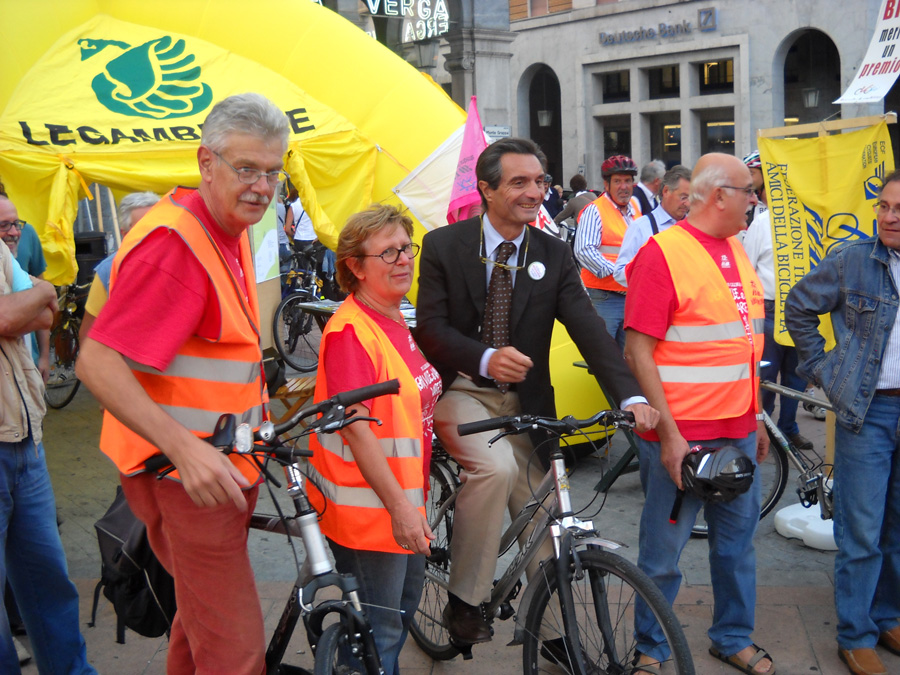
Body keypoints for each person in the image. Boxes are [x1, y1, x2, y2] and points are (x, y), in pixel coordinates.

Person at [415, 137, 658, 648]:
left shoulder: (553, 251)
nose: (534, 192)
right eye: (519, 182)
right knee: (495, 469)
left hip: (528, 406)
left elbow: (590, 330)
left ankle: (552, 636)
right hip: (463, 392)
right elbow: (431, 329)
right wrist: (483, 357)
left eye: (541, 181)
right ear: (486, 189)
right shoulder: (443, 245)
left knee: (547, 516)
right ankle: (464, 602)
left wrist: (631, 398)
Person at [76, 92, 290, 674]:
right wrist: (185, 449)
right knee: (234, 649)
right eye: (245, 168)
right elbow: (95, 363)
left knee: (200, 632)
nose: (260, 186)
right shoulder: (176, 243)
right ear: (206, 163)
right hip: (185, 475)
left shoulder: (225, 226)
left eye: (272, 171)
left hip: (216, 467)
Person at [623, 152, 774, 675]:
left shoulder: (736, 248)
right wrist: (668, 436)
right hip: (683, 441)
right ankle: (651, 647)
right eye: (747, 190)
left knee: (736, 550)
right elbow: (637, 350)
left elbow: (744, 345)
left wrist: (755, 419)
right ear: (718, 197)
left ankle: (732, 637)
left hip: (735, 436)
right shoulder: (662, 254)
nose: (754, 199)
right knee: (662, 557)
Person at [305, 204, 439, 675]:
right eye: (388, 253)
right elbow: (357, 431)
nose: (404, 259)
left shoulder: (393, 319)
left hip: (400, 500)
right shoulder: (349, 332)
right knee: (378, 633)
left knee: (394, 622)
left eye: (406, 247)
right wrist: (402, 509)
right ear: (355, 267)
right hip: (374, 511)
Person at [785, 171, 900, 675]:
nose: (889, 216)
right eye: (884, 206)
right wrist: (826, 371)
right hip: (867, 412)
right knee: (862, 528)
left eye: (899, 208)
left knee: (898, 525)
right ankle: (854, 634)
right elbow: (798, 308)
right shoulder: (853, 259)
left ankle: (887, 616)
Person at [0, 236, 97, 673]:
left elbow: (47, 310)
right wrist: (37, 293)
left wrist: (36, 296)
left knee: (49, 580)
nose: (12, 232)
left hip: (26, 438)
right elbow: (9, 315)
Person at [742, 206, 814, 450]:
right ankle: (762, 430)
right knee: (767, 378)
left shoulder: (812, 220)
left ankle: (787, 430)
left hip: (803, 312)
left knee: (797, 377)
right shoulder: (762, 222)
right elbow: (746, 267)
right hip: (769, 311)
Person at [573, 154, 642, 349]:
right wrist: (619, 273)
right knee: (605, 354)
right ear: (606, 184)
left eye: (628, 181)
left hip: (631, 296)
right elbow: (584, 250)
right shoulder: (594, 210)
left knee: (629, 356)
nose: (624, 186)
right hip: (604, 296)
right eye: (618, 181)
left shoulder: (635, 208)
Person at [79, 191, 158, 341]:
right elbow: (87, 336)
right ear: (124, 234)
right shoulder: (108, 271)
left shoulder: (182, 263)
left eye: (157, 226)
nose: (152, 235)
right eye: (143, 230)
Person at [612, 164, 691, 287]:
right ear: (666, 191)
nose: (688, 203)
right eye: (683, 197)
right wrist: (652, 272)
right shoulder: (641, 228)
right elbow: (620, 273)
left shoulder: (696, 228)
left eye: (692, 197)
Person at [0, 196, 49, 381]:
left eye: (15, 224)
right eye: (3, 225)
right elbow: (4, 320)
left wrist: (44, 356)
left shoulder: (28, 233)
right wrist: (44, 292)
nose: (13, 232)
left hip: (28, 363)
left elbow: (46, 315)